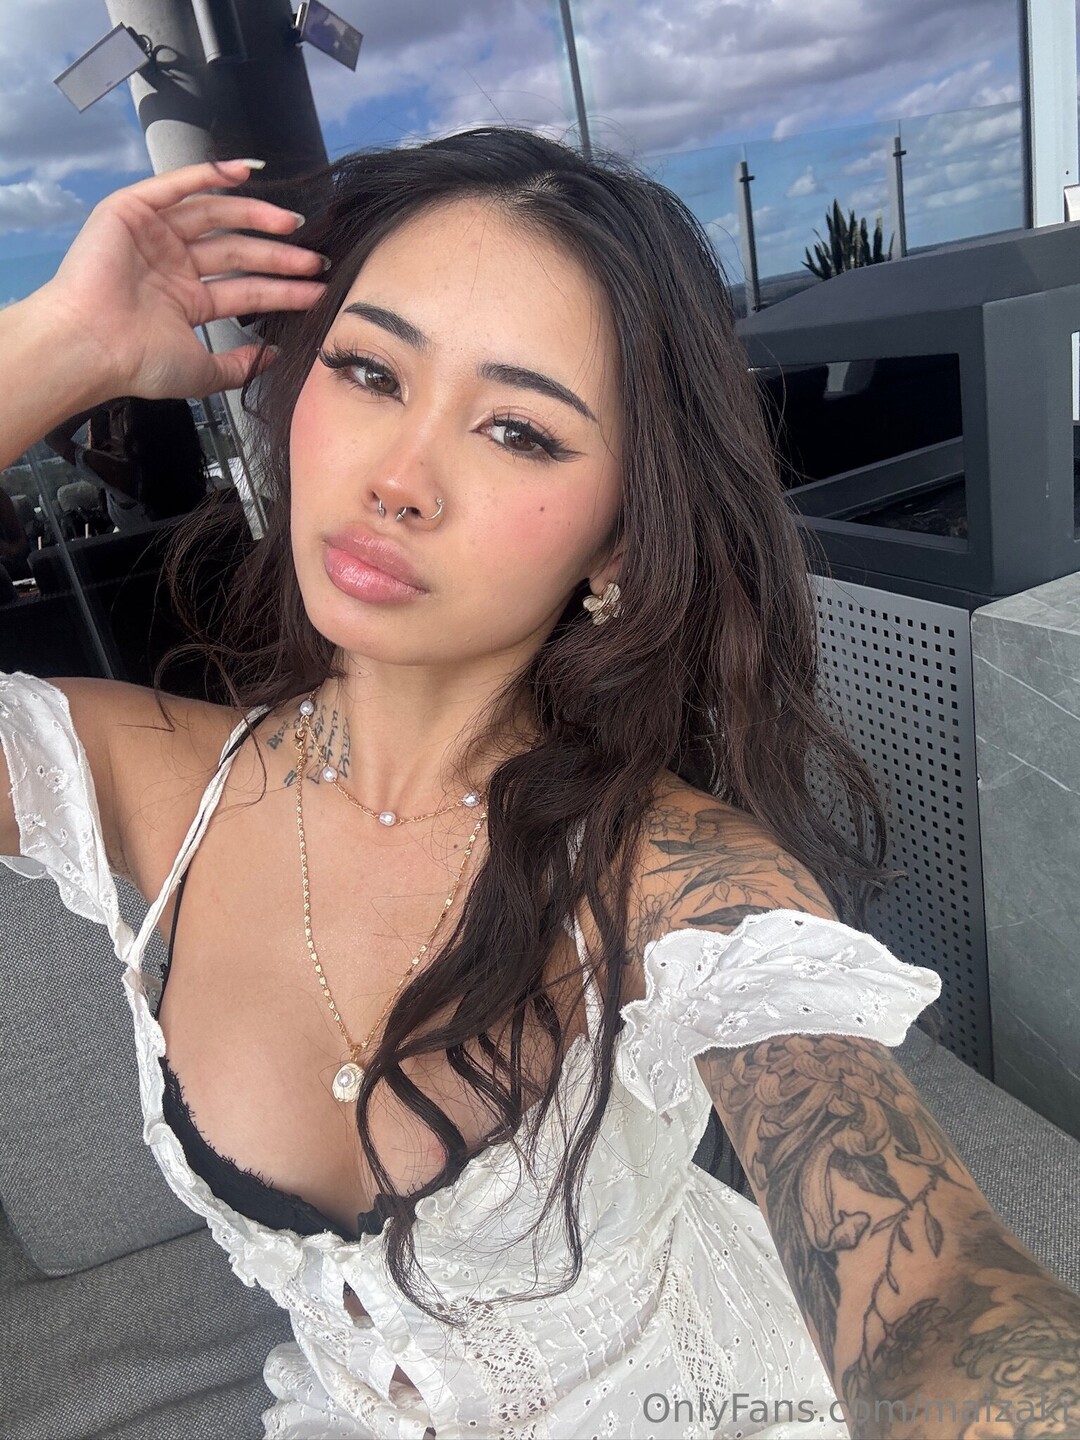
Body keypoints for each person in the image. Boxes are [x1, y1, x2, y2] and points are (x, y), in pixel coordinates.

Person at [0, 139, 1077, 1440]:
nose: (400, 478)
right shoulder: (142, 778)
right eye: (370, 370)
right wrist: (56, 345)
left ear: (617, 536)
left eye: (518, 429)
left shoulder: (677, 880)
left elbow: (939, 1309)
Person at [43, 394, 211, 532]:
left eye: (118, 414)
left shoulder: (125, 474)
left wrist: (98, 400)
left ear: (138, 427)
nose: (112, 420)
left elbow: (53, 437)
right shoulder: (173, 467)